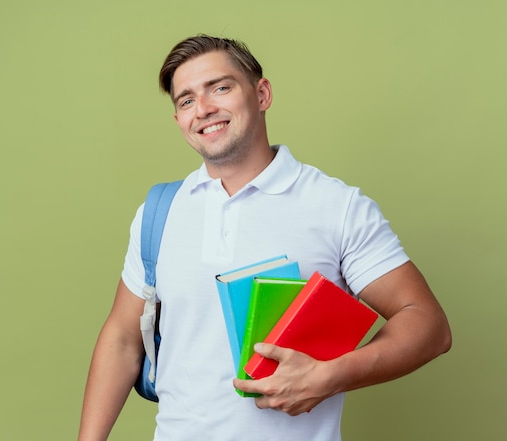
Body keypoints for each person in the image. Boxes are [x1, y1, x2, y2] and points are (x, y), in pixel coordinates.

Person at [77, 34, 452, 441]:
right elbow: (122, 338)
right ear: (179, 120)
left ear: (261, 94)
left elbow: (428, 324)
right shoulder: (158, 212)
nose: (203, 109)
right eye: (186, 101)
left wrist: (330, 376)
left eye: (220, 87)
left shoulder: (337, 206)